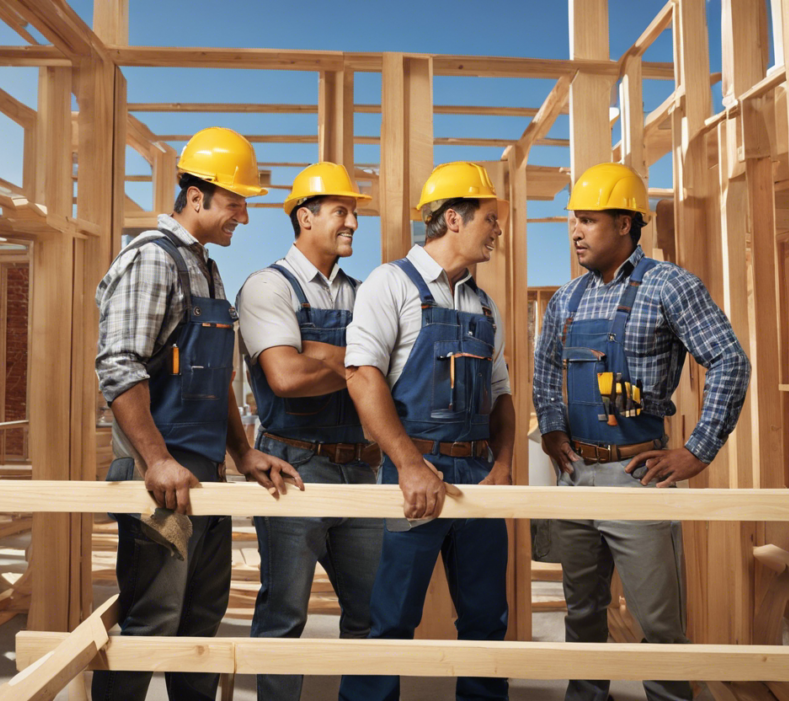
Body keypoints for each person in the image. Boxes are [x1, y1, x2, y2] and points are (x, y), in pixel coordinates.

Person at [94, 127, 301, 701]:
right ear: (196, 196)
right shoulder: (152, 262)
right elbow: (118, 366)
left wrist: (243, 451)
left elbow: (213, 380)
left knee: (202, 617)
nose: (244, 216)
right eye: (235, 203)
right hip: (158, 476)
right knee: (152, 618)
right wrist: (155, 460)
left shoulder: (205, 269)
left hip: (203, 472)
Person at [532, 162, 751, 701]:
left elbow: (729, 361)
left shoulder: (670, 287)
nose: (576, 231)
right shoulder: (568, 298)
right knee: (582, 614)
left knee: (659, 623)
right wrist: (553, 432)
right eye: (573, 221)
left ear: (626, 224)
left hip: (636, 478)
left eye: (588, 219)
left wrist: (697, 451)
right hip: (574, 478)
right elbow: (543, 373)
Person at [339, 161, 515, 701]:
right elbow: (362, 376)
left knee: (487, 619)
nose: (497, 230)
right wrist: (410, 465)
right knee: (388, 619)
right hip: (410, 472)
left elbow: (501, 394)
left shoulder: (484, 304)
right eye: (490, 218)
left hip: (478, 477)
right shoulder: (390, 284)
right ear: (454, 219)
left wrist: (503, 468)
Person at [236, 162, 383, 701]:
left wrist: (322, 353)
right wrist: (358, 363)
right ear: (305, 216)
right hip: (292, 467)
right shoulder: (267, 287)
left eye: (354, 212)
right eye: (341, 211)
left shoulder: (366, 293)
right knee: (284, 611)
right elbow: (287, 376)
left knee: (371, 611)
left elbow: (387, 372)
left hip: (360, 469)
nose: (353, 223)